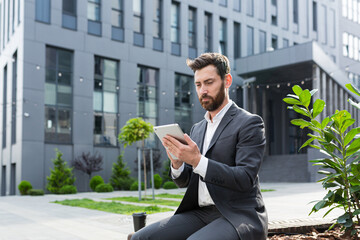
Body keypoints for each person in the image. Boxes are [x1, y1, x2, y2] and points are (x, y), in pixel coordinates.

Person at [131, 53, 268, 240]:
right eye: (198, 84)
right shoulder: (198, 128)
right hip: (200, 213)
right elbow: (185, 181)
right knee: (141, 237)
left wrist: (197, 160)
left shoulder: (249, 123)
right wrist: (178, 165)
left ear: (227, 81)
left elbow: (244, 178)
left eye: (209, 82)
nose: (203, 90)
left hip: (237, 214)